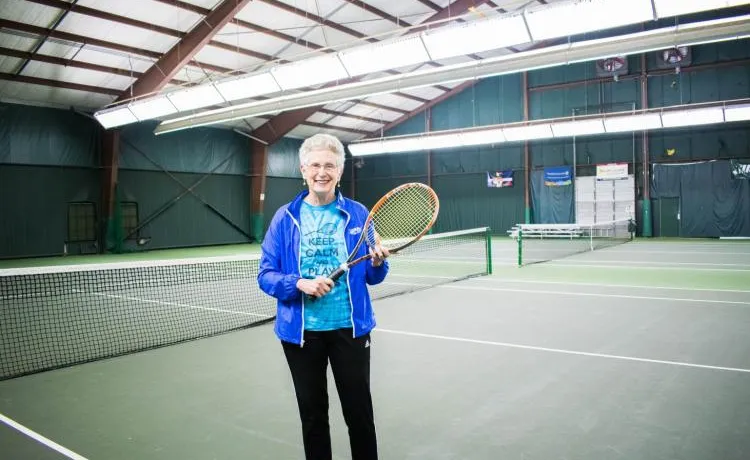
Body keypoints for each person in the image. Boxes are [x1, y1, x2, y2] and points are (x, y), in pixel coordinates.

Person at [257, 133, 390, 460]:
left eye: (329, 165)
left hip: (351, 330)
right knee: (313, 417)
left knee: (359, 414)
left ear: (339, 172)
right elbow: (265, 275)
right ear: (303, 170)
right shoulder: (284, 218)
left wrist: (378, 262)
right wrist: (298, 284)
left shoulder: (359, 214)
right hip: (301, 335)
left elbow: (373, 276)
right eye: (314, 165)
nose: (321, 171)